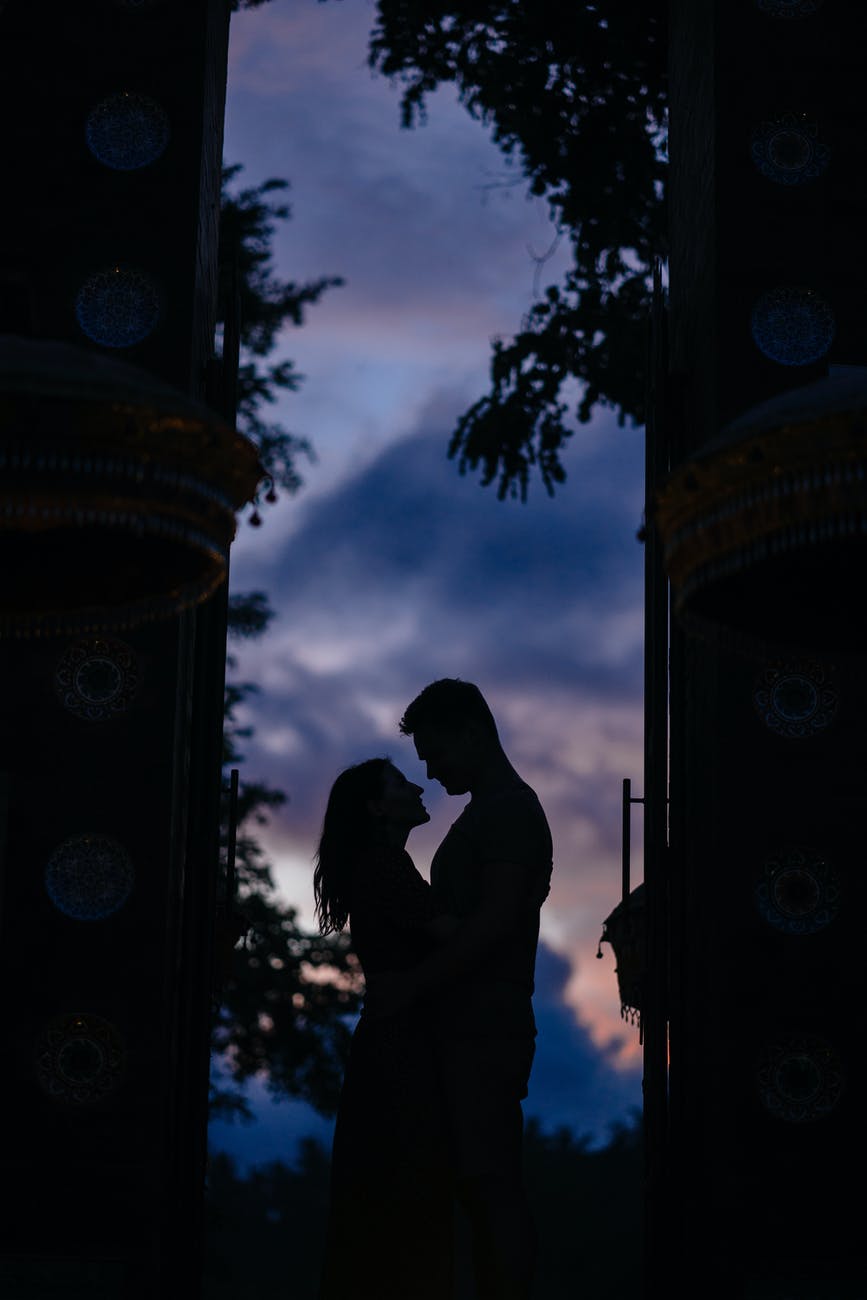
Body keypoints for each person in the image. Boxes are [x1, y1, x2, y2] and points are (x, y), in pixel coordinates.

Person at [366, 679, 553, 1300]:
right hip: (464, 1024)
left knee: (488, 1179)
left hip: (484, 1025)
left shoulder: (509, 812)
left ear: (472, 733)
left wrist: (413, 984)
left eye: (436, 753)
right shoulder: (488, 813)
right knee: (474, 1183)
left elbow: (495, 924)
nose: (431, 769)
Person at [314, 757, 460, 1300]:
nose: (417, 785)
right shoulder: (383, 867)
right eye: (400, 782)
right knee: (405, 1186)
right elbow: (455, 936)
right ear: (378, 807)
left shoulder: (384, 866)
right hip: (400, 1048)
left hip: (392, 1040)